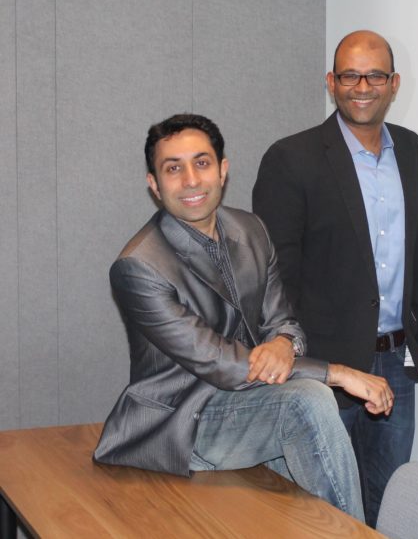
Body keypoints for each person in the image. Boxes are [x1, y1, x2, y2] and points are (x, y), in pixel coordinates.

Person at [93, 113, 397, 522]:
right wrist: (338, 373)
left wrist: (284, 343)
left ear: (223, 170)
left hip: (254, 404)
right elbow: (222, 363)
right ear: (154, 183)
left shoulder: (250, 228)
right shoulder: (139, 266)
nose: (191, 180)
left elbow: (284, 320)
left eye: (202, 163)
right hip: (184, 421)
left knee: (296, 478)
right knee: (307, 402)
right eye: (173, 169)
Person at [253, 30, 418, 527]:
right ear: (331, 82)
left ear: (394, 83)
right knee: (318, 510)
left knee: (387, 504)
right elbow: (274, 276)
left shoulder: (411, 150)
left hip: (397, 363)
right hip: (325, 369)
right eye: (350, 76)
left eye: (375, 76)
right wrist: (298, 356)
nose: (362, 87)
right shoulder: (291, 158)